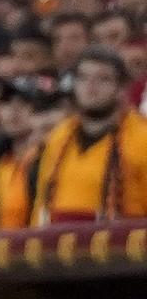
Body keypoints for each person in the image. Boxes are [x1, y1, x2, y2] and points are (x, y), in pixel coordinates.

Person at [26, 48, 147, 225]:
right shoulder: (59, 135)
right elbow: (41, 204)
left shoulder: (142, 139)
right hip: (56, 245)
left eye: (103, 79)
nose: (91, 86)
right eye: (83, 78)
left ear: (121, 88)